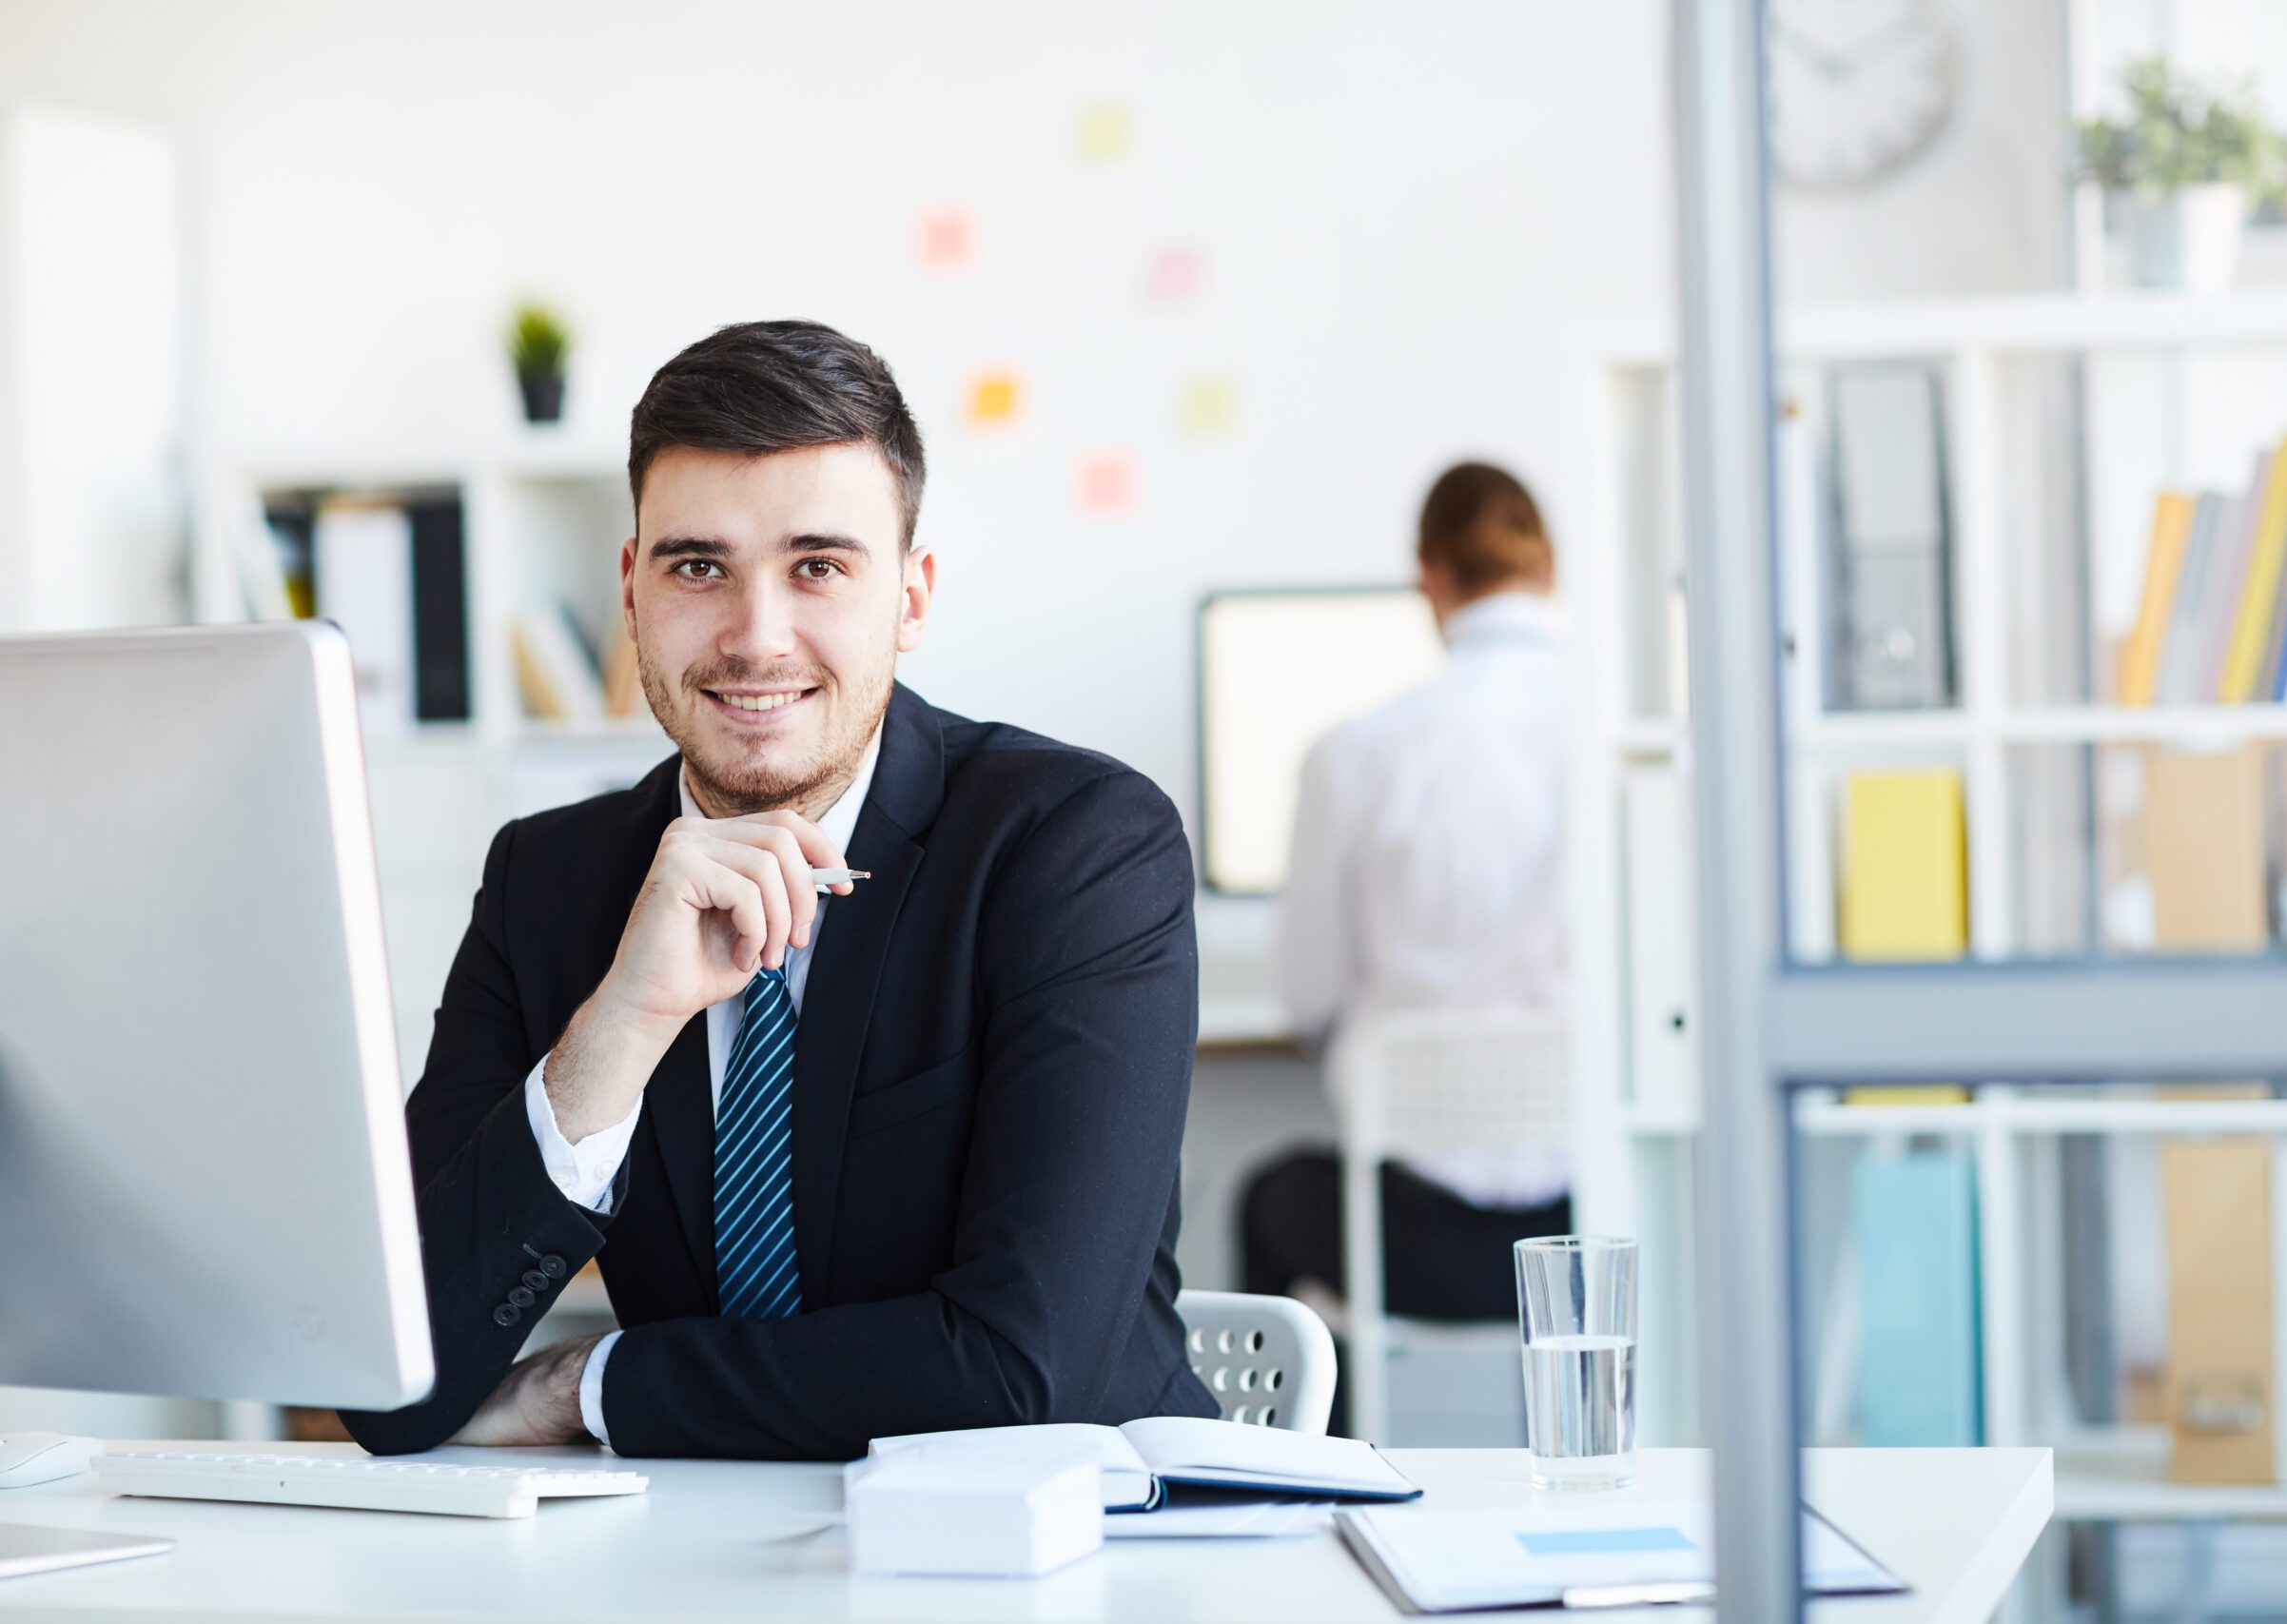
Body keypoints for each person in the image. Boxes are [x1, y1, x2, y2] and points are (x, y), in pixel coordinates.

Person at [342, 321, 1215, 1458]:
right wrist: (621, 1026)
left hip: (1065, 1550)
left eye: (819, 566)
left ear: (909, 596)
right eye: (698, 566)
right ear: (634, 591)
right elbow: (391, 1385)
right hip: (698, 1557)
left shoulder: (1075, 847)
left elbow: (1020, 1370)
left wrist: (589, 1387)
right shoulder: (545, 884)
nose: (757, 639)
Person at [1240, 461, 1570, 1326]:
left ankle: (1312, 1459)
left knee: (1271, 1197)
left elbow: (1305, 998)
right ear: (1550, 570)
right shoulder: (1631, 741)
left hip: (1420, 1239)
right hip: (1595, 1232)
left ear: (1428, 575)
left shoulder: (1357, 751)